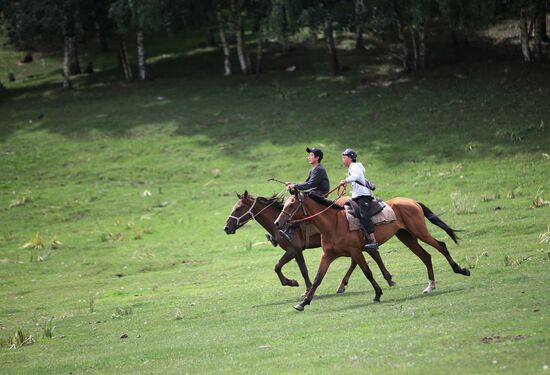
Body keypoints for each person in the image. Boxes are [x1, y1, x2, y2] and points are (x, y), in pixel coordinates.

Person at [269, 147, 330, 244]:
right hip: (313, 193)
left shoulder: (319, 170)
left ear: (317, 158)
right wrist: (292, 186)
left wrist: (295, 186)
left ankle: (289, 231)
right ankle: (282, 231)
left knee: (297, 206)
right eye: (309, 155)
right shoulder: (314, 170)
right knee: (293, 203)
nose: (308, 157)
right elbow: (306, 183)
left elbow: (310, 184)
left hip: (319, 194)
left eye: (311, 155)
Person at [338, 148, 379, 251]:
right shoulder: (352, 167)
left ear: (350, 158)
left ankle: (373, 241)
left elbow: (356, 176)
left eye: (344, 157)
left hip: (363, 196)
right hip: (357, 196)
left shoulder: (354, 166)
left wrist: (346, 180)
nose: (343, 159)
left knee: (363, 215)